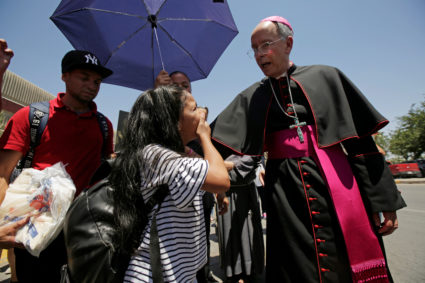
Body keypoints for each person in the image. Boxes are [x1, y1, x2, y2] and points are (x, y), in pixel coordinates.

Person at [211, 16, 406, 283]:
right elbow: (212, 141)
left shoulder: (327, 76)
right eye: (253, 49)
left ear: (288, 43)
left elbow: (362, 145)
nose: (258, 54)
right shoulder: (253, 96)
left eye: (265, 45)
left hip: (337, 184)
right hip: (285, 195)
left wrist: (384, 202)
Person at [0, 45, 114, 283]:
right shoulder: (32, 117)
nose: (92, 85)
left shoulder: (104, 126)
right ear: (64, 76)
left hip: (83, 231)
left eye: (97, 81)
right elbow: (2, 173)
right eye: (84, 78)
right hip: (36, 228)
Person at [110, 86, 230, 282]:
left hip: (178, 270)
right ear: (174, 121)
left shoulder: (173, 154)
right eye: (194, 108)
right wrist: (205, 137)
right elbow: (221, 179)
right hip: (155, 273)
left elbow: (217, 168)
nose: (201, 114)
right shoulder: (157, 155)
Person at [155, 69, 223, 283]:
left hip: (200, 196)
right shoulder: (162, 147)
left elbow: (213, 167)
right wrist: (205, 137)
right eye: (176, 87)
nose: (183, 89)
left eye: (186, 85)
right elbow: (219, 176)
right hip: (174, 213)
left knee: (197, 243)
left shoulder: (189, 130)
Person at [216, 155, 264, 283]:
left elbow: (255, 154)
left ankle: (249, 270)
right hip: (225, 187)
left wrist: (232, 165)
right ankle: (234, 272)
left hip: (245, 186)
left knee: (248, 231)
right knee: (228, 231)